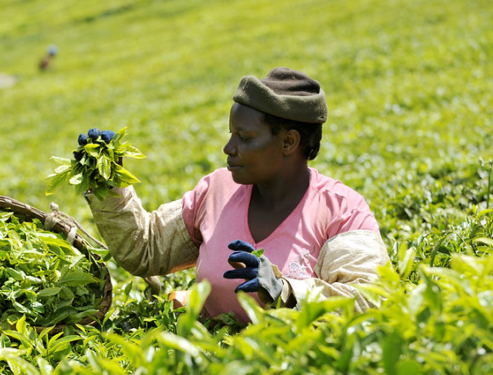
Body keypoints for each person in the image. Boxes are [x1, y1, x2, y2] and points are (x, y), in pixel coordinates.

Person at [82, 67, 389, 324]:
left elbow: (372, 299)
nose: (229, 148)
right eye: (231, 134)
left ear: (288, 142)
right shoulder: (217, 191)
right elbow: (146, 250)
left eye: (244, 137)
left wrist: (285, 290)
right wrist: (108, 182)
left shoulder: (342, 210)